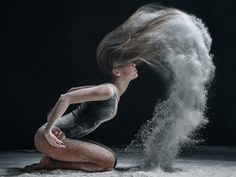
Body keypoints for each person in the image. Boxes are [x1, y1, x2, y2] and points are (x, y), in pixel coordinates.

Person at [24, 61, 139, 172]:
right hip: (48, 137)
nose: (134, 64)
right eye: (129, 62)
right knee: (107, 162)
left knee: (112, 158)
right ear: (117, 71)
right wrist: (49, 129)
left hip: (61, 136)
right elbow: (65, 98)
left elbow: (72, 90)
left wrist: (50, 119)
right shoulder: (108, 90)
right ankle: (51, 164)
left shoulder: (110, 89)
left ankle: (53, 158)